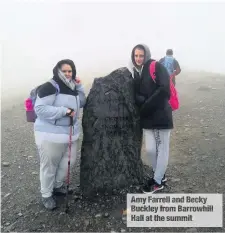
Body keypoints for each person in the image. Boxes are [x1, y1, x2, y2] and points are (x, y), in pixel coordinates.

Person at [34, 59, 86, 210]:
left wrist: (80, 86)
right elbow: (40, 109)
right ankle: (46, 195)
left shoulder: (72, 86)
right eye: (65, 71)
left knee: (67, 163)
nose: (68, 74)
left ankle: (57, 187)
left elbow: (82, 102)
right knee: (49, 166)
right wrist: (63, 111)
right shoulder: (50, 86)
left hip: (70, 133)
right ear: (58, 71)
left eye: (70, 71)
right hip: (49, 135)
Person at [129, 44, 173, 194]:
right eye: (136, 56)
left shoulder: (155, 66)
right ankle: (159, 174)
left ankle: (157, 180)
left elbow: (165, 88)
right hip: (147, 117)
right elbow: (137, 95)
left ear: (146, 54)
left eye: (141, 55)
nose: (138, 58)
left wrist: (146, 103)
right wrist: (142, 100)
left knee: (162, 148)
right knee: (150, 150)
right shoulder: (136, 72)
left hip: (161, 114)